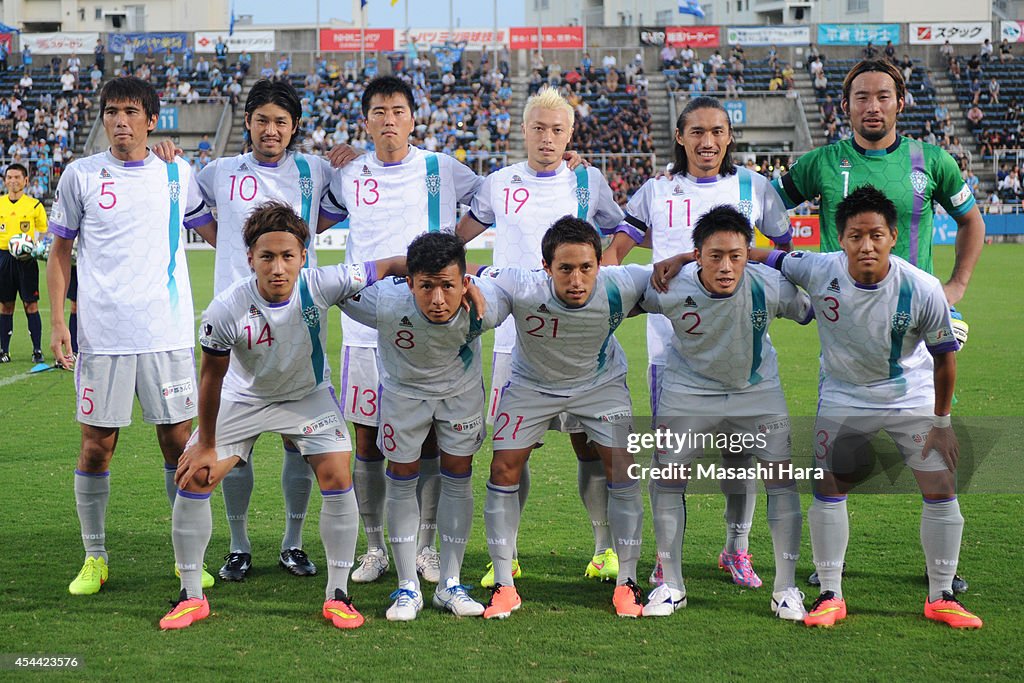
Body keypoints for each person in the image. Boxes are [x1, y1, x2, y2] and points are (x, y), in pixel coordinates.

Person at [771, 60, 981, 591]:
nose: (872, 106)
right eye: (861, 97)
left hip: (916, 321)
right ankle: (829, 580)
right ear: (846, 106)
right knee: (838, 465)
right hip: (844, 322)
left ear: (899, 103)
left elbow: (971, 220)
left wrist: (955, 286)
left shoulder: (930, 161)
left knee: (934, 458)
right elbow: (767, 208)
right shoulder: (822, 162)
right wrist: (798, 284)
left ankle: (943, 573)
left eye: (882, 96)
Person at [162, 201, 405, 630]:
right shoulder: (226, 309)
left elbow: (387, 265)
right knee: (194, 475)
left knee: (337, 474)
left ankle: (338, 594)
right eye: (267, 257)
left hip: (306, 396)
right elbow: (211, 380)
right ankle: (191, 595)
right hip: (243, 399)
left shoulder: (324, 282)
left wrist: (464, 274)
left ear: (303, 257)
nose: (278, 267)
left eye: (287, 256)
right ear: (250, 258)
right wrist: (205, 442)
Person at [754, 186, 982, 630]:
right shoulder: (819, 269)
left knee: (939, 485)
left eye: (876, 234)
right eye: (856, 235)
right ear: (841, 239)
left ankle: (941, 595)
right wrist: (687, 259)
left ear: (893, 236)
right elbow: (765, 256)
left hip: (909, 394)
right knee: (830, 484)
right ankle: (830, 592)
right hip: (844, 394)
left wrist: (942, 423)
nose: (866, 245)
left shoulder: (922, 287)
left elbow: (945, 360)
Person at [603, 95, 794, 589]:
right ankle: (667, 563)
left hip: (741, 348)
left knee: (741, 456)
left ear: (730, 137)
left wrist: (690, 256)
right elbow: (616, 254)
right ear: (681, 138)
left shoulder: (754, 187)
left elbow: (783, 254)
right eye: (697, 132)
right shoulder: (655, 189)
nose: (707, 142)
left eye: (717, 132)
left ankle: (736, 549)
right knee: (672, 463)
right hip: (672, 350)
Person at [46, 77, 215, 596]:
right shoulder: (81, 175)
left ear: (150, 119)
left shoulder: (176, 172)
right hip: (102, 336)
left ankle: (186, 557)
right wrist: (58, 323)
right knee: (97, 448)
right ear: (103, 119)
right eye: (112, 111)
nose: (121, 120)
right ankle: (94, 557)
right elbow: (58, 255)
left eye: (131, 111)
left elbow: (219, 231)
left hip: (164, 333)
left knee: (178, 445)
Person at [456, 87, 625, 588]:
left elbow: (625, 231)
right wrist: (477, 273)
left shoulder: (587, 181)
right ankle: (506, 556)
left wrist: (605, 276)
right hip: (514, 339)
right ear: (523, 131)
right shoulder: (498, 183)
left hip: (576, 338)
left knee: (588, 445)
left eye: (557, 130)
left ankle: (603, 549)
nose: (547, 138)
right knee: (513, 451)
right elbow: (455, 239)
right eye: (539, 128)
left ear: (570, 135)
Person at [318, 76, 483, 586]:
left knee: (432, 440)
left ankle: (426, 547)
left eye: (398, 111)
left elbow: (497, 200)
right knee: (366, 441)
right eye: (379, 112)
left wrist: (448, 250)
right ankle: (374, 548)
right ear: (365, 120)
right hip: (368, 327)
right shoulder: (347, 173)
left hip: (435, 323)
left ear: (414, 118)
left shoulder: (441, 167)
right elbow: (311, 219)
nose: (389, 120)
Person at [191, 79, 342, 582]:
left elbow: (324, 220)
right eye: (261, 120)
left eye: (280, 121)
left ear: (294, 127)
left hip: (297, 319)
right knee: (237, 446)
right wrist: (238, 259)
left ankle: (293, 544)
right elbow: (197, 217)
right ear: (248, 124)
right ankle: (238, 546)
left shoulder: (315, 170)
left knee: (297, 442)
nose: (270, 129)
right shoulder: (218, 171)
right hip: (237, 324)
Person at [640, 205, 812, 620]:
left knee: (778, 477)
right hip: (688, 390)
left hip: (756, 391)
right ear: (696, 255)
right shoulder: (668, 284)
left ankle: (785, 587)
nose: (725, 266)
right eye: (714, 255)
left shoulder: (768, 285)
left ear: (748, 254)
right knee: (667, 476)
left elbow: (810, 310)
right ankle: (672, 584)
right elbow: (613, 295)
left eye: (736, 256)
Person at [477, 216, 650, 619]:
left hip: (599, 384)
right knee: (503, 468)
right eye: (565, 269)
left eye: (586, 268)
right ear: (546, 267)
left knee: (622, 466)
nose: (576, 279)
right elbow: (471, 270)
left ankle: (627, 581)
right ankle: (504, 583)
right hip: (531, 386)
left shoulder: (623, 282)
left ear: (600, 265)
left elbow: (669, 274)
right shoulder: (520, 284)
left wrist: (676, 265)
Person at [340, 232, 504, 620]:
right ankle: (405, 587)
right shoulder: (384, 300)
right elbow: (335, 284)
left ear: (465, 283)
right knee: (401, 474)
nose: (437, 299)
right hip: (403, 396)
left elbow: (524, 286)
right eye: (425, 286)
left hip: (460, 395)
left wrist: (479, 282)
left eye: (448, 286)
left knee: (458, 475)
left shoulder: (488, 306)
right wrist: (395, 264)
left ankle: (450, 583)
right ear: (408, 282)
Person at [0, 163, 48, 363]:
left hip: (26, 260)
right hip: (3, 258)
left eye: (17, 177)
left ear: (26, 181)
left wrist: (37, 246)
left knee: (31, 304)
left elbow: (44, 231)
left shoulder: (35, 205)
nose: (13, 181)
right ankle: (4, 351)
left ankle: (37, 350)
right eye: (9, 177)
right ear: (5, 181)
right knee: (5, 306)